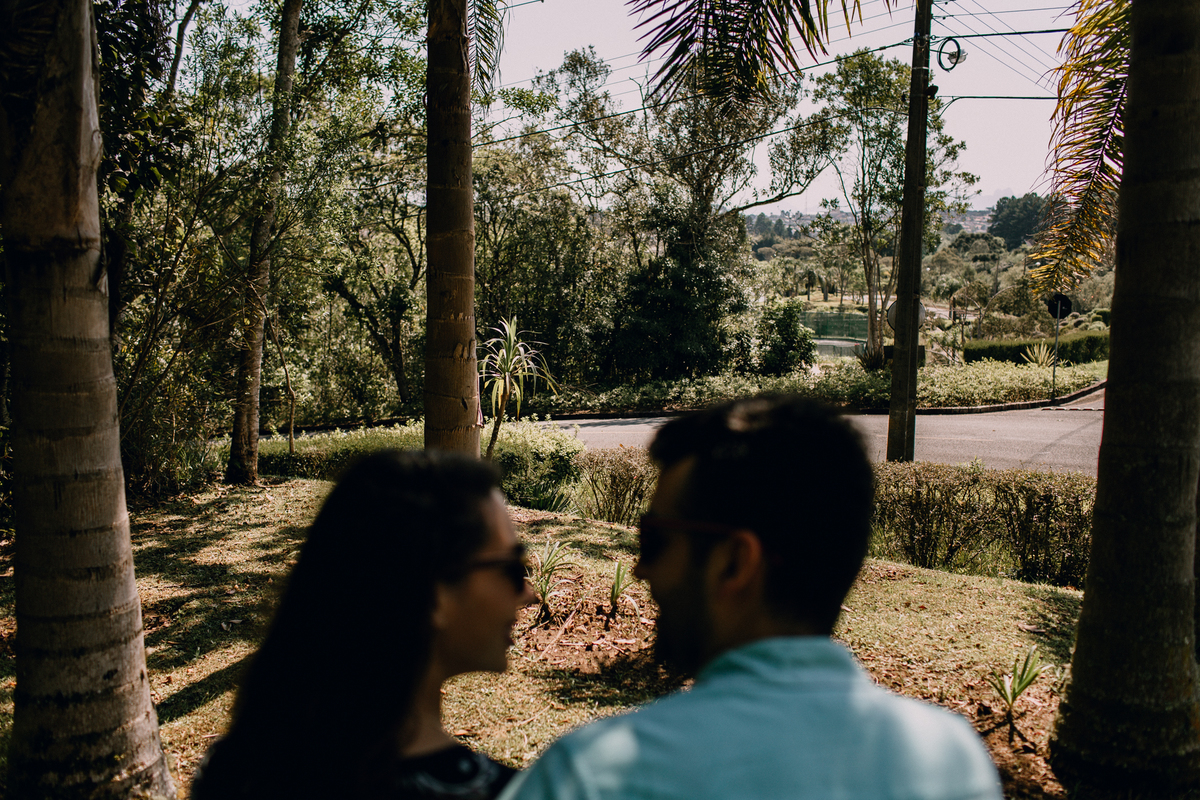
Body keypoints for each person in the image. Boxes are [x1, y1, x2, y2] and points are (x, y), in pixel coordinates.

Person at [500, 395, 1003, 800]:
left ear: (736, 563)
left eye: (654, 539)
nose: (640, 568)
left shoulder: (595, 774)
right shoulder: (954, 759)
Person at [191, 449, 535, 800]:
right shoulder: (504, 792)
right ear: (435, 595)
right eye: (512, 567)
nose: (529, 593)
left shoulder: (231, 770)